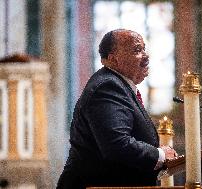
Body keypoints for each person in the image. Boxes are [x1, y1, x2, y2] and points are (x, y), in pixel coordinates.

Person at [57, 29, 177, 188]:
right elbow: (117, 144)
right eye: (137, 50)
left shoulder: (119, 85)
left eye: (144, 49)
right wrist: (160, 154)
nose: (146, 56)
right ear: (113, 59)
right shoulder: (107, 86)